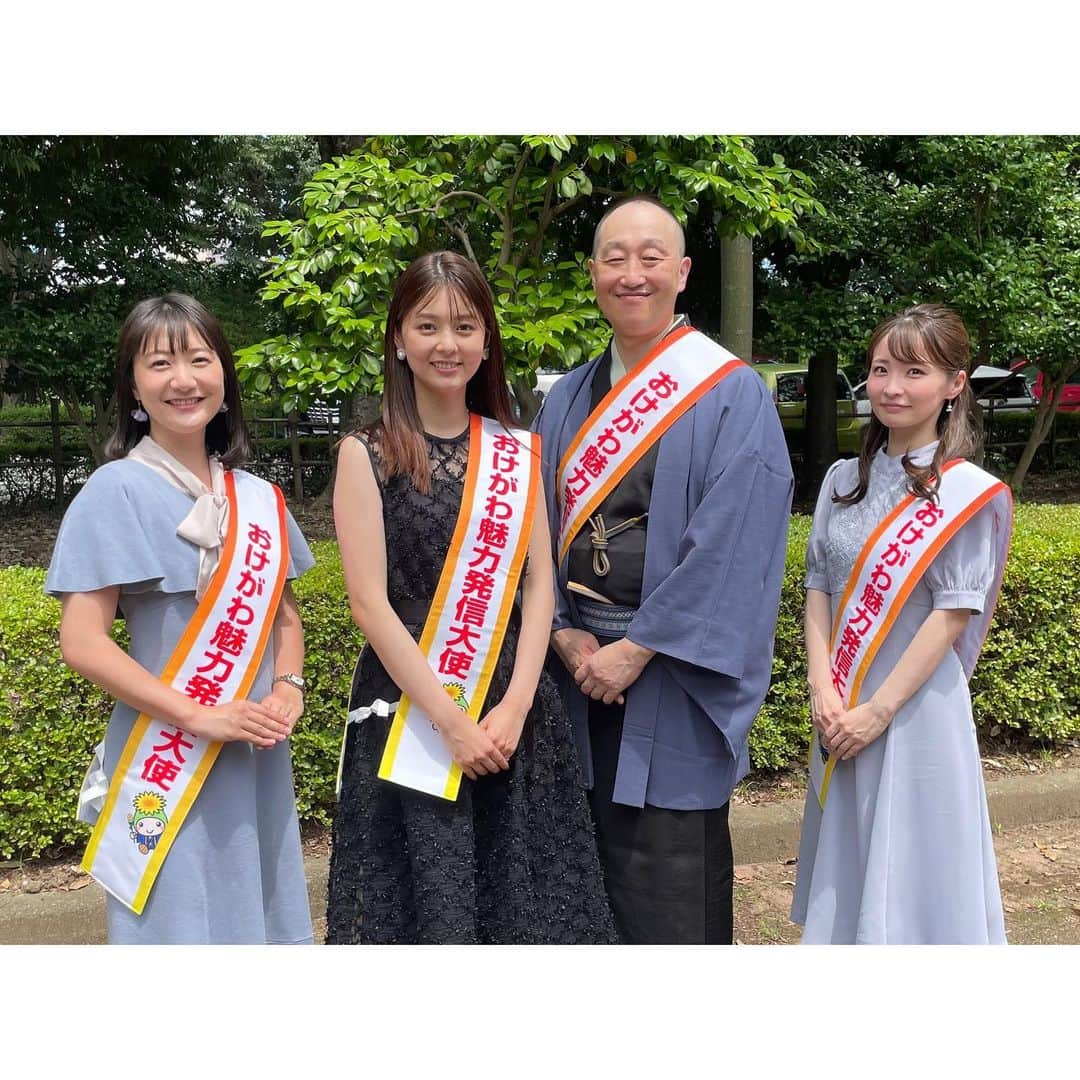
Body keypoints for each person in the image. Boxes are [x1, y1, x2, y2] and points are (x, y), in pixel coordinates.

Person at [326, 251, 617, 944]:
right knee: (427, 902)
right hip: (412, 711)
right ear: (398, 337)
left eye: (464, 326)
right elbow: (368, 603)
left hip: (516, 711)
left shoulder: (520, 450)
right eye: (427, 326)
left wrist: (515, 705)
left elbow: (539, 580)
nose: (447, 344)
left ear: (487, 339)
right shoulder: (365, 454)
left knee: (528, 902)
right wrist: (451, 722)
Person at [533, 196, 794, 944]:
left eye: (651, 258)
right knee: (576, 873)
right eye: (614, 258)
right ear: (593, 274)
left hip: (672, 675)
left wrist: (636, 647)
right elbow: (532, 532)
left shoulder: (729, 391)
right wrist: (561, 635)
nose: (631, 273)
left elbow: (734, 543)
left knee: (669, 883)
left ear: (681, 273)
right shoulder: (566, 399)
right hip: (575, 672)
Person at [45, 293, 315, 944]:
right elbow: (81, 642)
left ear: (224, 379)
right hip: (166, 749)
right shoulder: (114, 491)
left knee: (259, 911)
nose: (184, 379)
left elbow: (284, 619)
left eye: (200, 359)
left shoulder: (256, 498)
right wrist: (196, 715)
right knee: (175, 921)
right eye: (160, 363)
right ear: (134, 386)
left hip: (252, 749)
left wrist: (288, 688)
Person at [791, 303, 1012, 944]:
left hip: (913, 709)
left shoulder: (964, 491)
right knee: (851, 858)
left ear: (954, 385)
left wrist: (877, 711)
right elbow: (819, 587)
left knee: (920, 866)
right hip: (842, 700)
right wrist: (823, 689)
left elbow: (954, 613)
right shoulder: (840, 479)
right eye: (881, 369)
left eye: (914, 371)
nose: (891, 387)